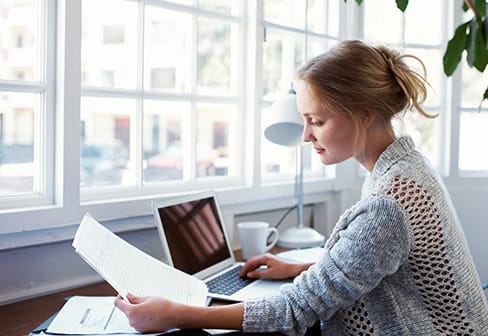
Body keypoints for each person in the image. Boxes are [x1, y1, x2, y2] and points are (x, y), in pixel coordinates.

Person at [114, 40, 488, 335]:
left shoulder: (388, 203)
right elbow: (385, 263)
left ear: (363, 114)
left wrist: (177, 314)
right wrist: (302, 267)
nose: (307, 135)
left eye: (316, 121)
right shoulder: (407, 165)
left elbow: (298, 308)